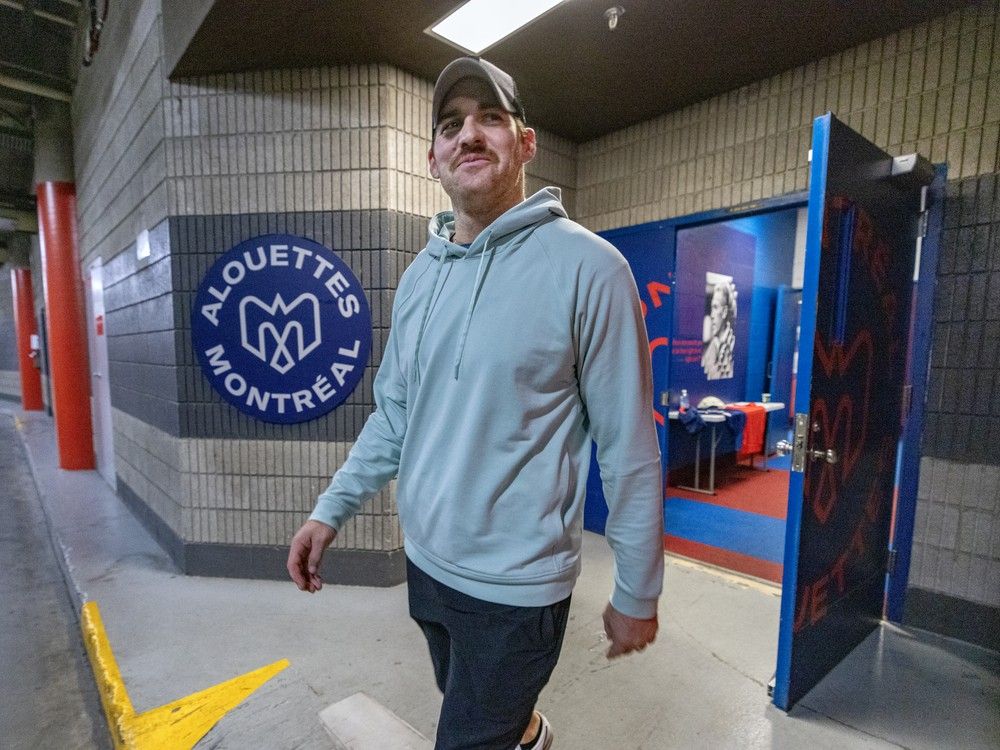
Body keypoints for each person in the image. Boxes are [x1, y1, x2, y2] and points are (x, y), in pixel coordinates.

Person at [288, 57, 664, 750]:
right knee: (472, 704)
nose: (470, 134)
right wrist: (329, 509)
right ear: (432, 159)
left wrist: (638, 590)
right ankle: (528, 734)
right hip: (427, 563)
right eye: (452, 124)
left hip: (518, 589)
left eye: (491, 118)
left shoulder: (592, 270)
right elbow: (396, 415)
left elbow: (629, 446)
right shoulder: (419, 277)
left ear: (525, 145)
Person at [701, 280, 737, 380]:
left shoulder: (734, 346)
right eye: (711, 308)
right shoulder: (709, 351)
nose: (712, 315)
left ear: (725, 312)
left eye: (715, 307)